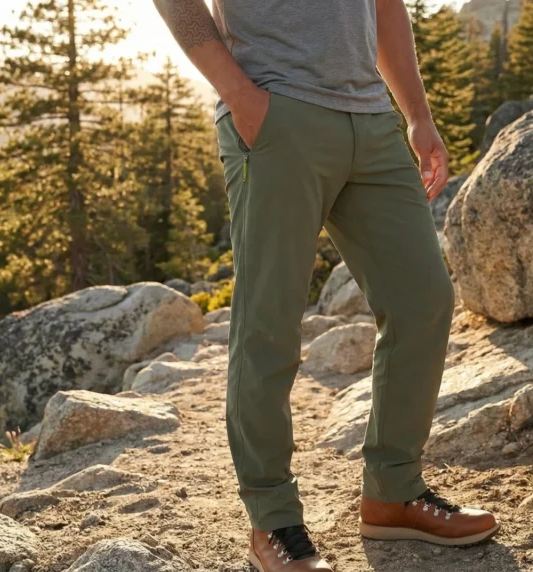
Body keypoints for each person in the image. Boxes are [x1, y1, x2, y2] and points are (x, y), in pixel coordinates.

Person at [152, 1, 499, 569]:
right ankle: (274, 521)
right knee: (269, 323)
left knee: (425, 301)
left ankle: (392, 491)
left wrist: (417, 113)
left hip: (371, 118)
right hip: (275, 111)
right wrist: (240, 95)